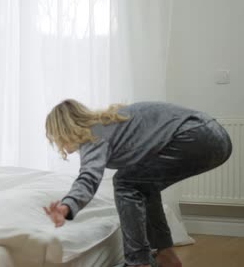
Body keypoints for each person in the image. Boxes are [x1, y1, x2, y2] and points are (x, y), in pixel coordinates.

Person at [43, 99, 231, 267]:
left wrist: (67, 206)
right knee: (142, 184)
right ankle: (166, 255)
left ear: (63, 130)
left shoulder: (93, 135)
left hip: (193, 136)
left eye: (56, 139)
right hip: (213, 134)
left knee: (125, 182)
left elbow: (89, 177)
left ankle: (138, 262)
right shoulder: (111, 122)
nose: (62, 148)